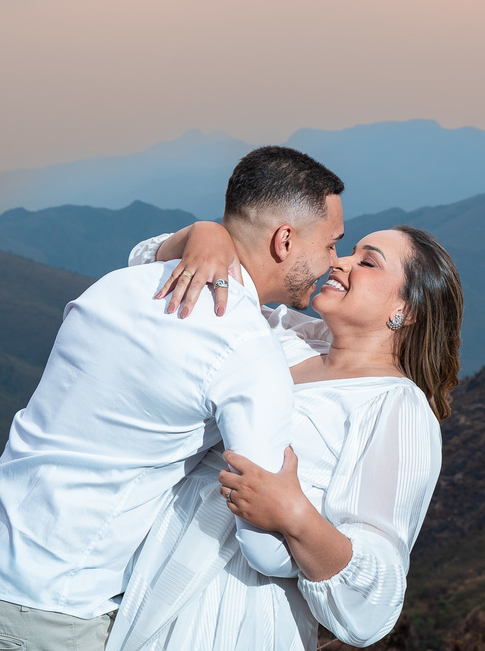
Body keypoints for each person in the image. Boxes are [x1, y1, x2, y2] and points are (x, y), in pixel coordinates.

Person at [0, 147, 345, 651]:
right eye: (331, 245)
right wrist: (315, 554)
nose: (334, 263)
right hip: (42, 610)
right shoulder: (248, 351)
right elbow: (260, 543)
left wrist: (199, 231)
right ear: (284, 240)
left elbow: (146, 253)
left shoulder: (119, 286)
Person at [106, 220, 463, 650]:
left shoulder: (396, 407)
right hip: (149, 573)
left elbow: (377, 597)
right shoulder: (290, 337)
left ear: (405, 311)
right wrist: (205, 235)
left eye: (367, 262)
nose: (341, 262)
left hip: (237, 611)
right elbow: (156, 271)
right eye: (349, 250)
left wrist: (292, 512)